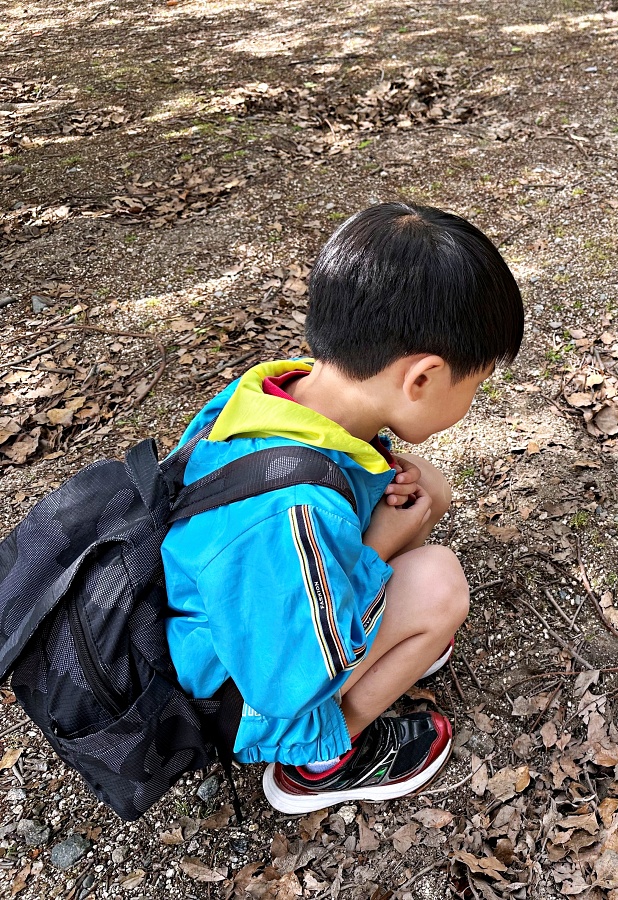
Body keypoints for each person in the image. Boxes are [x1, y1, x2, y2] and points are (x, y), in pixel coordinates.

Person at [161, 202, 523, 814]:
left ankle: (392, 638)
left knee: (425, 502)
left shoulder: (278, 395)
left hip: (237, 625)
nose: (475, 397)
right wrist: (383, 540)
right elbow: (293, 672)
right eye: (476, 383)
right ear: (423, 378)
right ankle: (320, 759)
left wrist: (393, 504)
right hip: (248, 691)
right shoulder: (292, 507)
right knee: (438, 585)